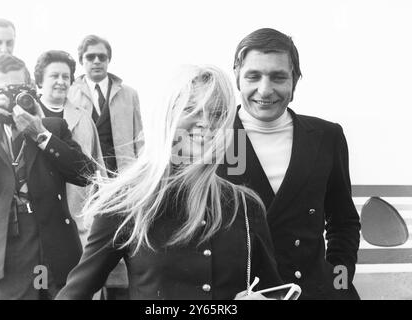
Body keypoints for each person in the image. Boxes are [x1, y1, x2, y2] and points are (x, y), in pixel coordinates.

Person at [56, 65, 282, 300]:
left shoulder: (245, 207)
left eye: (216, 114)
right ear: (168, 114)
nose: (206, 123)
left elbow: (275, 292)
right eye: (192, 109)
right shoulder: (128, 201)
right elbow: (73, 295)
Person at [218, 28, 361, 300]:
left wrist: (338, 280)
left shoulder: (327, 136)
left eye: (278, 77)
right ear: (237, 77)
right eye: (254, 76)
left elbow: (344, 221)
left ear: (295, 80)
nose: (265, 89)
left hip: (315, 292)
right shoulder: (213, 140)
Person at [0, 53, 96, 299]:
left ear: (29, 88)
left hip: (54, 252)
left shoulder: (52, 127)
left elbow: (87, 174)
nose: (8, 98)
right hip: (4, 258)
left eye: (16, 89)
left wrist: (41, 135)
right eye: (0, 91)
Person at [34, 50, 106, 246]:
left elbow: (97, 167)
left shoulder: (84, 118)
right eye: (54, 76)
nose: (61, 81)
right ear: (40, 80)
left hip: (78, 215)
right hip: (39, 218)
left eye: (66, 76)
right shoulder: (27, 117)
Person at [67, 34, 143, 174]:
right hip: (84, 176)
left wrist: (140, 174)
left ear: (109, 60)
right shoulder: (69, 95)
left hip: (122, 175)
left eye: (102, 57)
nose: (97, 61)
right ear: (81, 60)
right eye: (90, 57)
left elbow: (139, 139)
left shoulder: (129, 94)